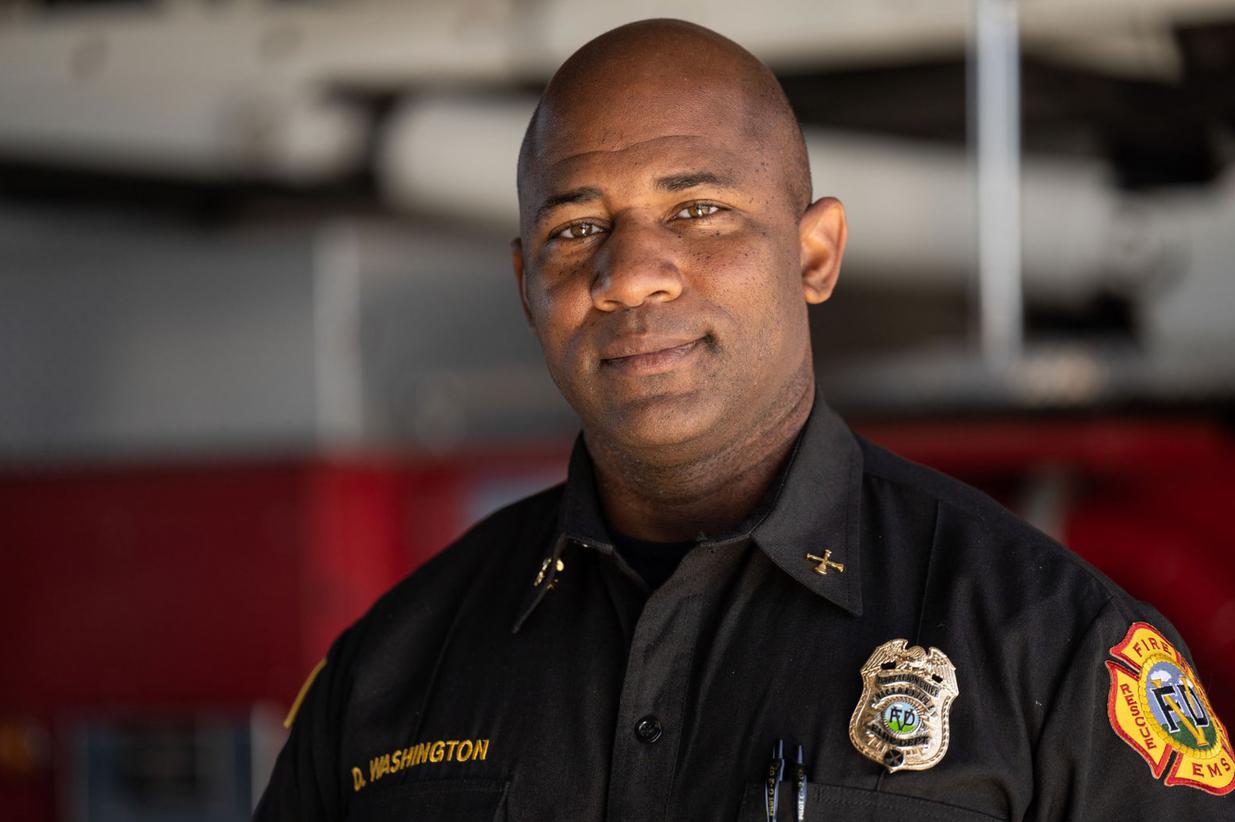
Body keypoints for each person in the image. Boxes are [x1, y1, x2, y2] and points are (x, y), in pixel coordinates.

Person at [254, 19, 1232, 821]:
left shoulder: (1046, 644)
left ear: (814, 255)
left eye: (696, 211)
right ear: (526, 287)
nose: (629, 274)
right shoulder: (392, 667)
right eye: (576, 229)